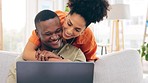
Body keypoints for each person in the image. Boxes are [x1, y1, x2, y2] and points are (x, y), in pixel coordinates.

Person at [7, 10, 86, 83]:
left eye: (58, 31)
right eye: (48, 34)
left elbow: (81, 79)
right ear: (37, 34)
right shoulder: (21, 62)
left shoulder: (77, 55)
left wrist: (58, 60)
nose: (55, 37)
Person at [22, 0, 110, 62]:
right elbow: (27, 53)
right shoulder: (54, 20)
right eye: (69, 23)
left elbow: (89, 62)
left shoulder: (88, 37)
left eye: (77, 29)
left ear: (83, 30)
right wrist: (55, 60)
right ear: (66, 15)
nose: (69, 31)